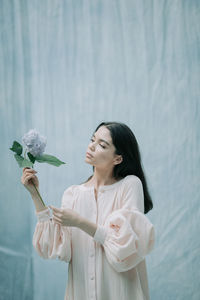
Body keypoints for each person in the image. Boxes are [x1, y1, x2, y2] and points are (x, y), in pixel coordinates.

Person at [21, 121, 155, 300]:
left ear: (118, 158)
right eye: (92, 139)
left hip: (120, 292)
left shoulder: (129, 185)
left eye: (102, 144)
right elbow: (58, 250)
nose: (91, 146)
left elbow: (125, 247)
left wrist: (80, 222)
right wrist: (35, 195)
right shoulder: (72, 194)